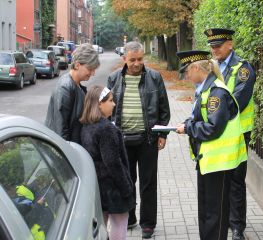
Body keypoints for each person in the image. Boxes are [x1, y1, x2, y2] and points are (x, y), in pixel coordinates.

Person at [175, 50, 247, 240]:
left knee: (215, 214)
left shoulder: (216, 93)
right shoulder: (207, 90)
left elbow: (212, 128)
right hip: (209, 161)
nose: (186, 76)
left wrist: (189, 127)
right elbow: (204, 119)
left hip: (220, 163)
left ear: (197, 68)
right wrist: (189, 123)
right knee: (207, 211)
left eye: (187, 72)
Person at [107, 41, 170, 239]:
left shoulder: (154, 77)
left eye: (140, 59)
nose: (137, 63)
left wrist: (162, 134)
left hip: (147, 140)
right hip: (122, 140)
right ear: (124, 59)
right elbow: (106, 110)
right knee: (127, 181)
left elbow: (163, 108)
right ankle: (130, 218)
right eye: (132, 60)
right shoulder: (114, 79)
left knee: (148, 183)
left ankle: (148, 224)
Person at [204, 28, 256, 240]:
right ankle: (223, 220)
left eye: (218, 45)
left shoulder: (243, 69)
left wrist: (216, 116)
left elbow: (240, 100)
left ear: (230, 44)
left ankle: (237, 227)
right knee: (219, 179)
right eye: (212, 46)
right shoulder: (210, 68)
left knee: (235, 180)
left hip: (237, 133)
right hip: (216, 132)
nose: (214, 49)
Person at [80, 86, 135, 240]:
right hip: (114, 187)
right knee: (119, 224)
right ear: (99, 104)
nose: (114, 104)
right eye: (110, 101)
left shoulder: (86, 126)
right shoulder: (106, 129)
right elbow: (112, 162)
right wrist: (126, 187)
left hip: (98, 186)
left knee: (101, 227)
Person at [45, 43, 100, 144]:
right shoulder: (65, 88)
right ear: (77, 65)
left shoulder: (77, 85)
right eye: (90, 69)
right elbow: (61, 129)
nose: (93, 73)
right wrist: (69, 155)